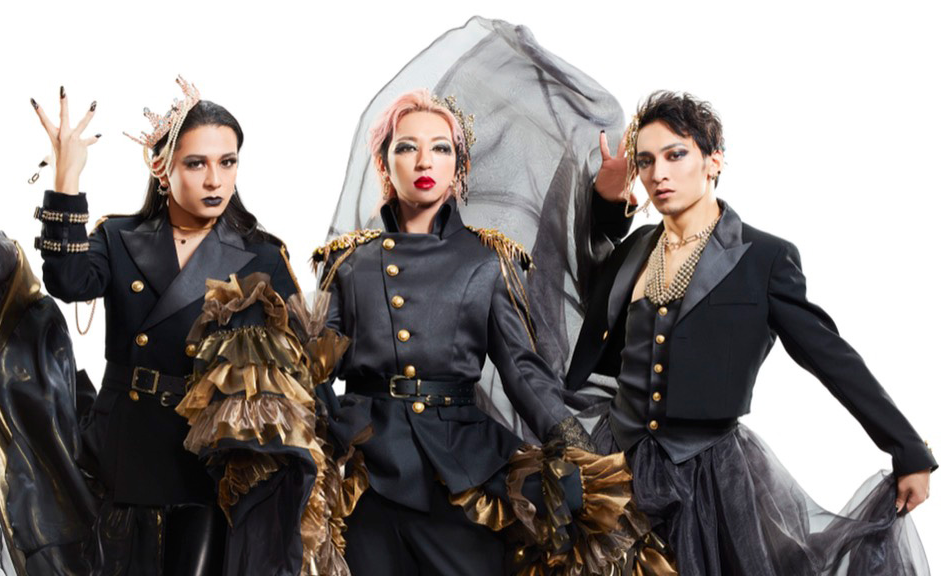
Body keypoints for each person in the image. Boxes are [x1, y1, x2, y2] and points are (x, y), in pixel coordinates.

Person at [566, 90, 936, 575]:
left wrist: (907, 447)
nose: (658, 174)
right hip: (613, 460)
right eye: (647, 161)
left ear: (713, 161)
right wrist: (607, 204)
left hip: (707, 480)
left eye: (676, 155)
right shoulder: (636, 248)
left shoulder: (765, 259)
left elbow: (829, 356)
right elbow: (582, 284)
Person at [314, 88, 674, 576]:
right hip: (371, 469)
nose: (424, 161)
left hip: (463, 467)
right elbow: (316, 365)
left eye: (441, 148)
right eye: (406, 147)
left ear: (459, 166)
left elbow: (522, 371)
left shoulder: (486, 260)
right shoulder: (349, 261)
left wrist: (575, 448)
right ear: (383, 163)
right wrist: (333, 426)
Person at [30, 77, 300, 575]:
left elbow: (295, 367)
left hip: (207, 463)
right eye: (196, 163)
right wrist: (67, 178)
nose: (215, 180)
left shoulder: (262, 255)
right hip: (122, 448)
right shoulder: (119, 236)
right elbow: (67, 280)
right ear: (161, 168)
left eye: (227, 162)